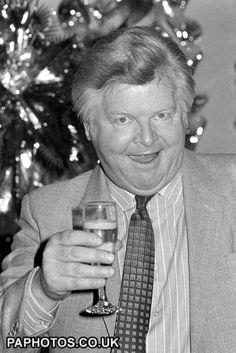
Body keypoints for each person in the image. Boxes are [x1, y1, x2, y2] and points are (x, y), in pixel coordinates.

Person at [1, 26, 236, 353]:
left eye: (162, 115)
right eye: (124, 120)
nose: (147, 138)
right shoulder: (47, 214)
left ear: (185, 116)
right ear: (89, 127)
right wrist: (42, 289)